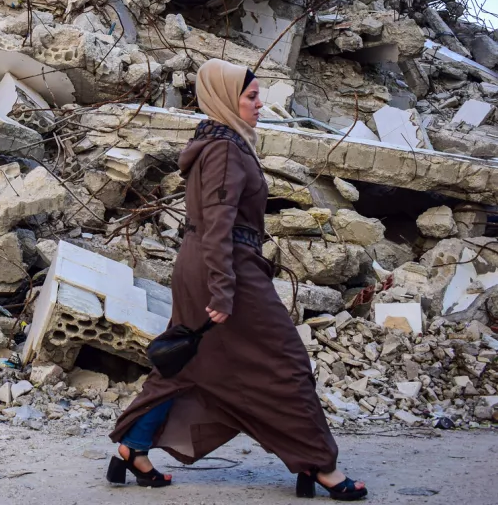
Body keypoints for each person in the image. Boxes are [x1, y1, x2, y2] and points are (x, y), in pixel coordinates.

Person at [107, 58, 367, 500]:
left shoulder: (218, 143)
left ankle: (132, 449)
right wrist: (223, 290)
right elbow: (217, 222)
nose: (260, 104)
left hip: (206, 264)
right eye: (251, 97)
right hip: (225, 268)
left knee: (186, 361)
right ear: (227, 99)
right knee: (284, 364)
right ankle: (319, 465)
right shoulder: (226, 149)